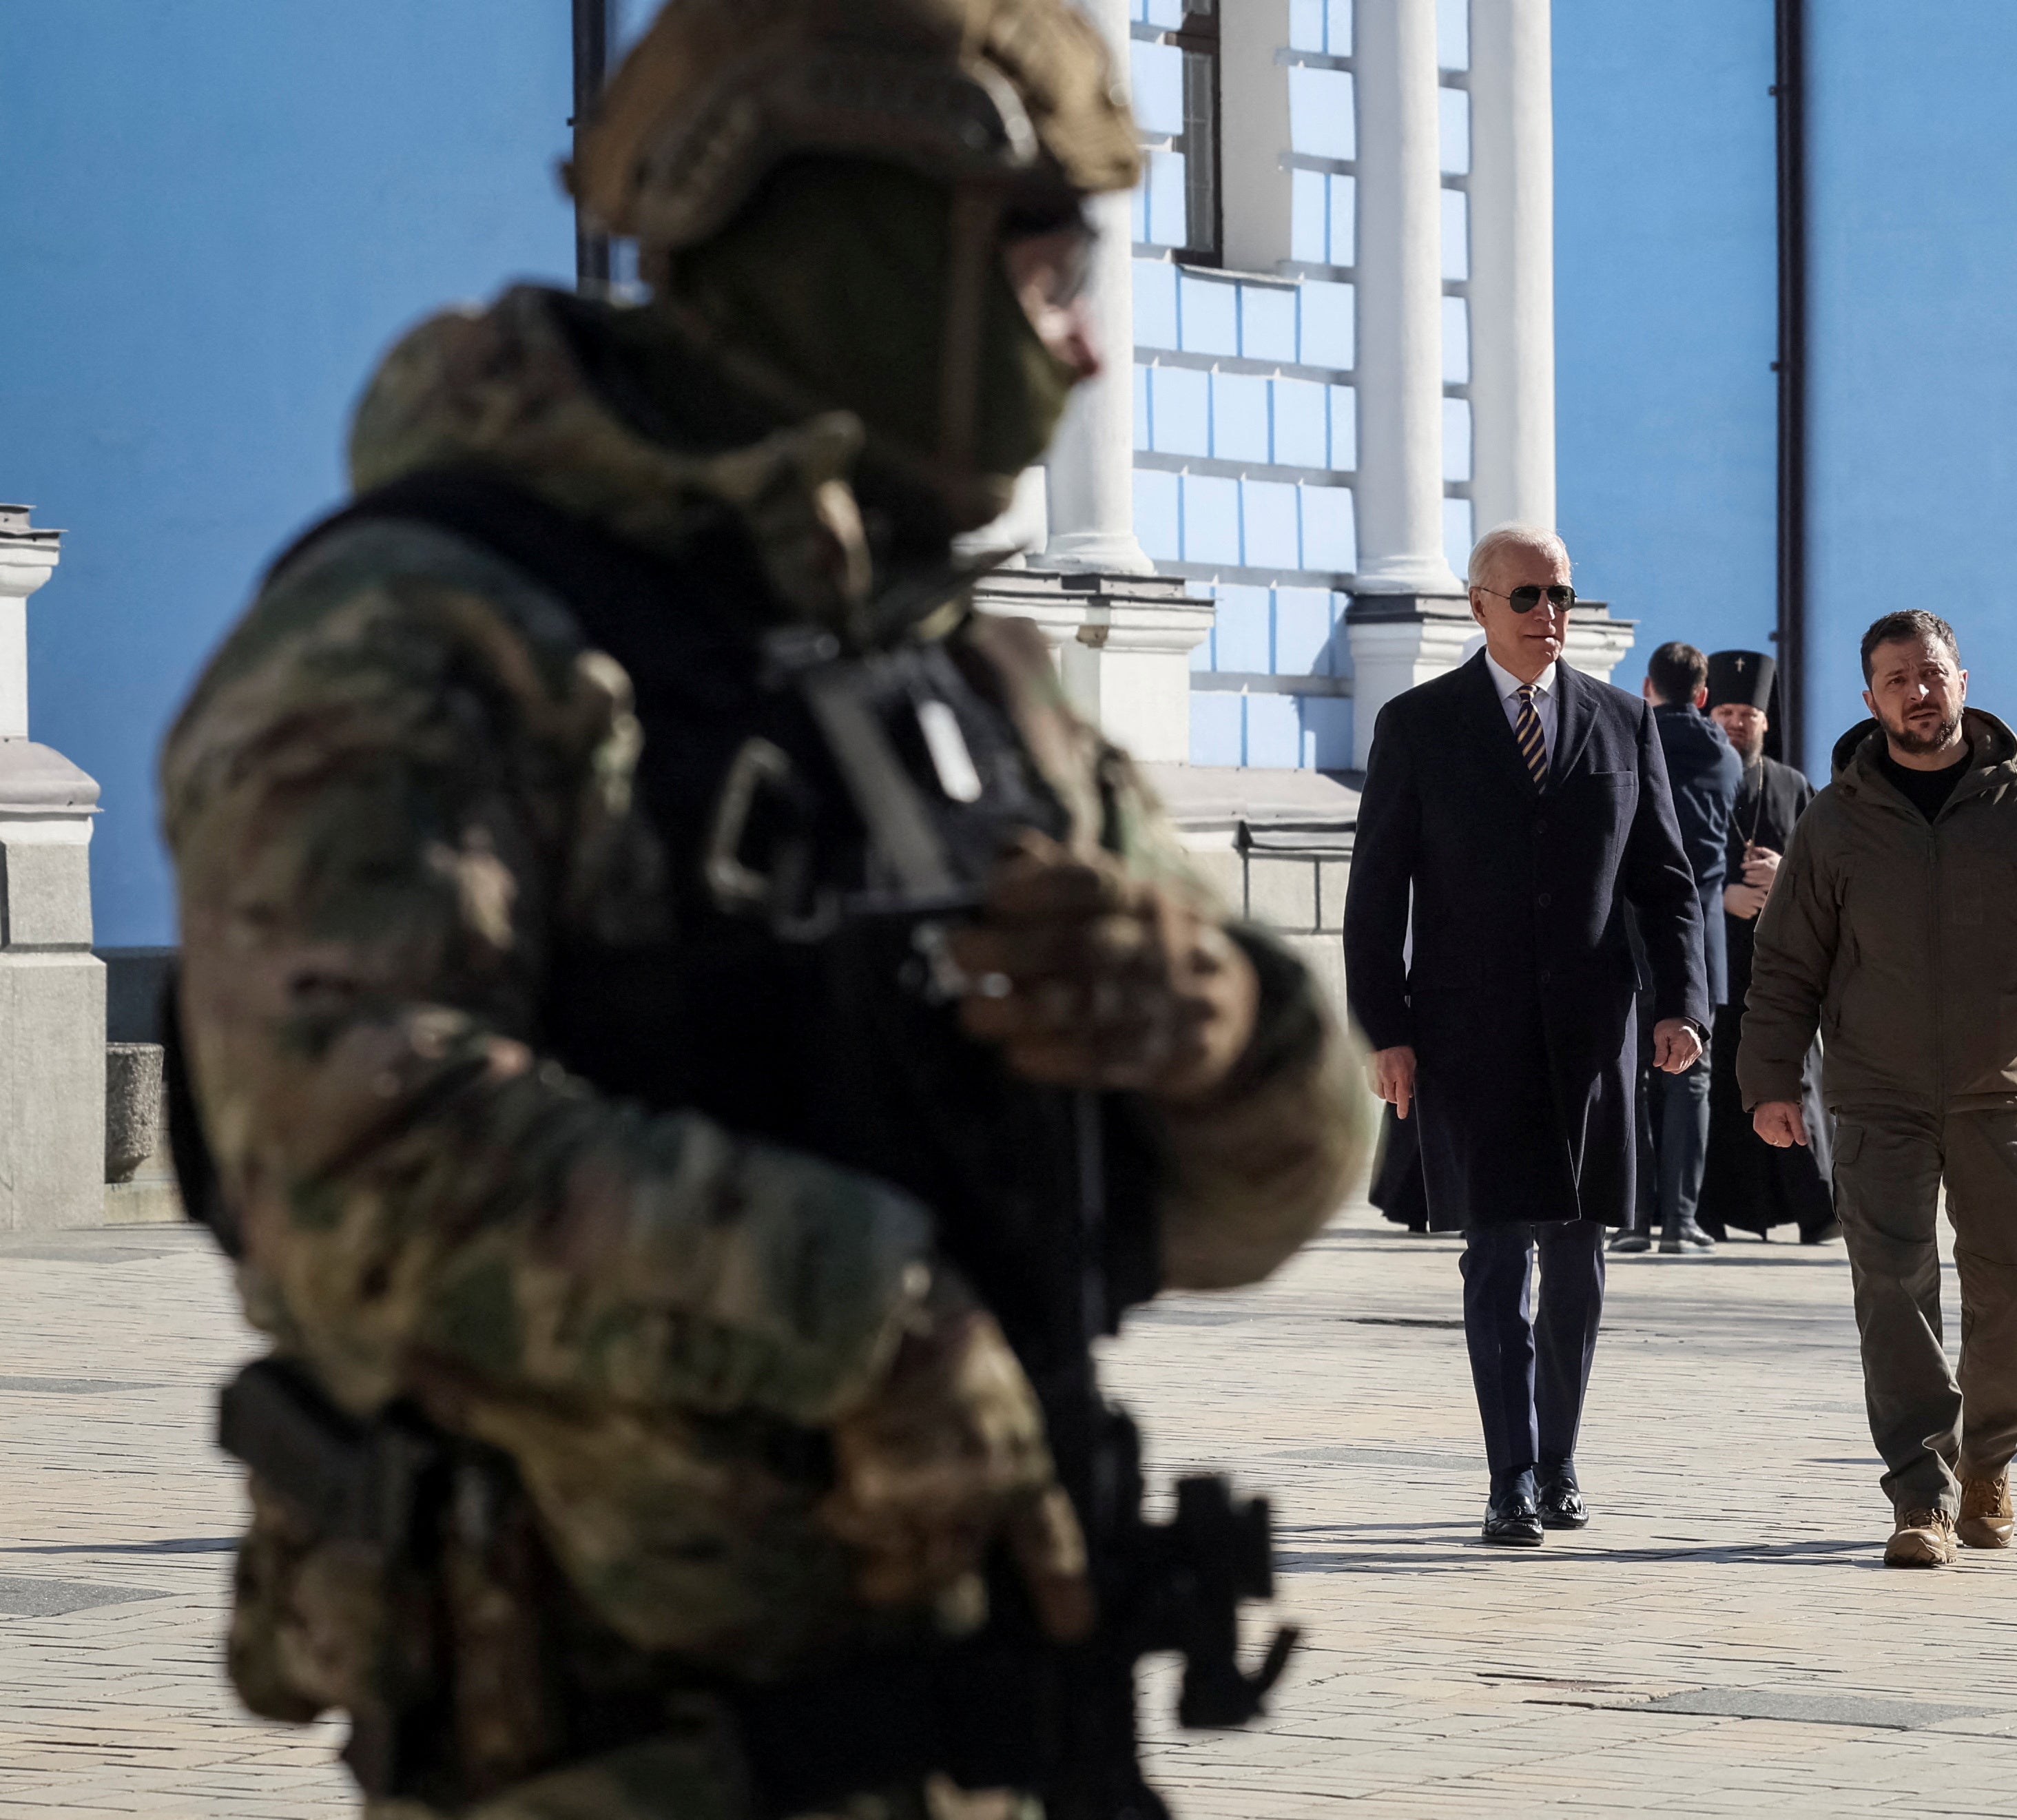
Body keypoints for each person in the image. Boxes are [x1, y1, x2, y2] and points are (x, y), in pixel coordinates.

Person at [156, 3, 1368, 1813]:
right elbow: (344, 1160)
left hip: (1000, 1736)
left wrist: (1217, 1028)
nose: (1093, 351)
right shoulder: (430, 642)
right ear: (864, 253)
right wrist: (857, 1316)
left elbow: (1278, 1177)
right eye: (1042, 275)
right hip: (617, 1751)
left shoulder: (964, 681)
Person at [1738, 610, 2017, 1569]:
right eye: (1895, 679)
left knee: (2010, 1284)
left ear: (1962, 680)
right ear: (1869, 698)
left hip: (1997, 1091)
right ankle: (1918, 1493)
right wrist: (1768, 1079)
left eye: (1930, 673)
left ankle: (1989, 1462)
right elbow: (1786, 960)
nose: (1917, 692)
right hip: (1874, 1095)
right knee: (1892, 1291)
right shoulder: (1833, 821)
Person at [1342, 524, 1708, 1549]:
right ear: (1477, 606)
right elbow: (1375, 897)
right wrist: (1385, 1028)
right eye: (1526, 597)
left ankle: (1560, 1460)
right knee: (1496, 1258)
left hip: (1593, 1038)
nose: (1548, 614)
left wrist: (1682, 1005)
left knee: (1581, 1261)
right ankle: (1506, 1473)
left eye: (1560, 596)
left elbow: (1666, 885)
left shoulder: (1620, 720)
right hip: (1470, 1037)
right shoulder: (1417, 725)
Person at [1693, 649, 1835, 1244]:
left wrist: (1783, 875)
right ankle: (1713, 1211)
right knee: (1721, 1085)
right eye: (1724, 711)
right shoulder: (1692, 779)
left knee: (1794, 1078)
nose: (1734, 722)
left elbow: (1821, 868)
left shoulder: (1792, 785)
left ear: (1764, 722)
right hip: (1715, 960)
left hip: (1778, 967)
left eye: (1746, 713)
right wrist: (1721, 894)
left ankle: (1817, 1209)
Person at [1611, 641, 1742, 1257]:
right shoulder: (1725, 755)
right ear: (1702, 694)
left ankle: (1633, 1216)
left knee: (1631, 1076)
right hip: (1703, 935)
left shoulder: (1626, 736)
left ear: (1647, 686)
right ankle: (1682, 1222)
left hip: (1632, 927)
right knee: (1692, 1079)